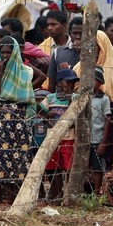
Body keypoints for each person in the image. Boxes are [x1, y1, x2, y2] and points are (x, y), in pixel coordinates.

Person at [0, 36, 36, 204]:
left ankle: (14, 194)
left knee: (18, 154)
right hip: (0, 116)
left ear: (15, 53)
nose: (5, 56)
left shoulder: (24, 71)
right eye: (2, 52)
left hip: (18, 117)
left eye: (8, 52)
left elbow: (28, 96)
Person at [39, 68, 80, 202]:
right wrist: (47, 115)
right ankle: (56, 191)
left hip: (69, 136)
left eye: (72, 83)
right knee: (53, 165)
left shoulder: (74, 97)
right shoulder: (51, 98)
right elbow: (40, 110)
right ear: (58, 83)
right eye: (67, 82)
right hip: (53, 136)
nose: (70, 85)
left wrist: (70, 98)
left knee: (68, 165)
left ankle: (67, 191)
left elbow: (76, 111)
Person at [89, 66, 112, 195]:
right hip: (84, 139)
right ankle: (83, 192)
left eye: (94, 80)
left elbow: (107, 119)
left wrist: (103, 141)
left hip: (97, 138)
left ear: (100, 83)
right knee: (82, 167)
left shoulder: (104, 99)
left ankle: (96, 193)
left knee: (98, 168)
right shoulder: (83, 97)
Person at [47, 16, 82, 92]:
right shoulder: (58, 52)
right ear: (70, 33)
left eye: (81, 33)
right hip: (62, 97)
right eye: (75, 33)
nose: (78, 37)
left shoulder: (93, 54)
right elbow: (52, 82)